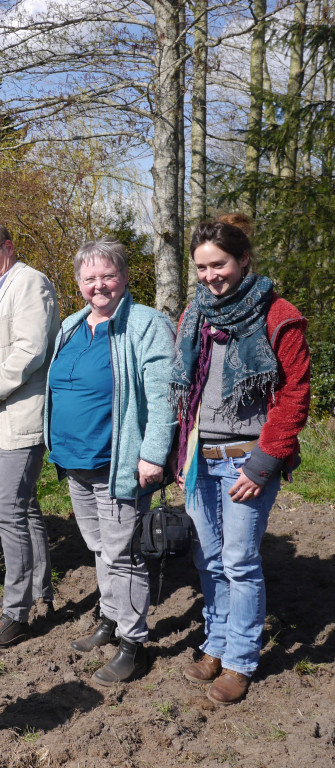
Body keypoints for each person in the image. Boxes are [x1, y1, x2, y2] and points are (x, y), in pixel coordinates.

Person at [172, 218, 310, 705]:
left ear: (244, 259)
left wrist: (263, 464)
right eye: (202, 268)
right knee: (208, 558)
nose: (211, 276)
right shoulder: (197, 313)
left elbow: (294, 395)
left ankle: (240, 660)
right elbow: (185, 389)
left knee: (239, 560)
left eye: (220, 264)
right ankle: (216, 642)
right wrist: (176, 450)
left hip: (247, 460)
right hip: (199, 457)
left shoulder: (277, 315)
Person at [44, 239, 176, 684]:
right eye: (89, 278)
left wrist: (153, 454)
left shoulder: (146, 324)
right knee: (101, 548)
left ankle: (133, 643)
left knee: (125, 555)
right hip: (75, 461)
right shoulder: (71, 325)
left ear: (124, 277)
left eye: (108, 276)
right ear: (78, 283)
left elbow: (162, 397)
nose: (99, 285)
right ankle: (111, 618)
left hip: (117, 463)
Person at [0, 222, 59, 648]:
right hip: (0, 419)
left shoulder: (30, 283)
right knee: (25, 507)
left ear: (8, 247)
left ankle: (15, 613)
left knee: (6, 511)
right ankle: (42, 592)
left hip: (20, 418)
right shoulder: (2, 287)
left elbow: (30, 351)